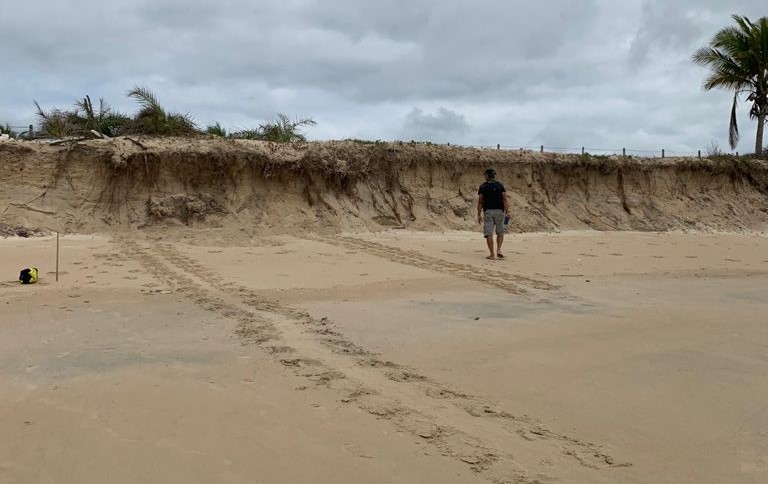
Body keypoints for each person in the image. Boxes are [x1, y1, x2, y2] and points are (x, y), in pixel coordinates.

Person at [476, 168, 509, 260]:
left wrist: (478, 214)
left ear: (487, 175)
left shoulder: (483, 186)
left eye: (485, 175)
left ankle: (492, 254)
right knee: (500, 232)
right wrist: (507, 212)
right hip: (500, 211)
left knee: (489, 233)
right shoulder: (500, 185)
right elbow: (505, 199)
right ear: (494, 176)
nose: (484, 176)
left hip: (488, 212)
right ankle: (499, 250)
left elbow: (480, 202)